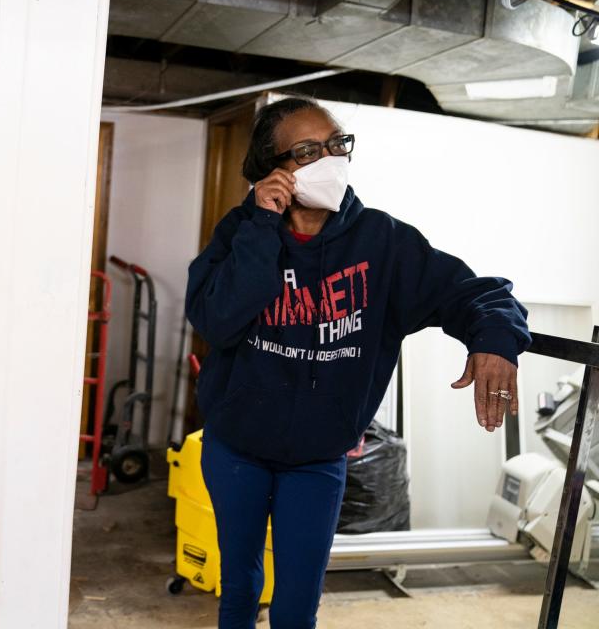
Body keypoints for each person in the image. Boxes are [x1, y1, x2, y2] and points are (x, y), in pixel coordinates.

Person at [185, 98, 530, 629]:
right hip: (237, 445)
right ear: (274, 168)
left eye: (336, 143)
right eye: (307, 150)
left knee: (298, 603)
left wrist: (497, 339)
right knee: (240, 586)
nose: (330, 158)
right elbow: (218, 319)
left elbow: (476, 293)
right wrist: (260, 224)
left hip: (318, 456)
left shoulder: (383, 242)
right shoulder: (240, 230)